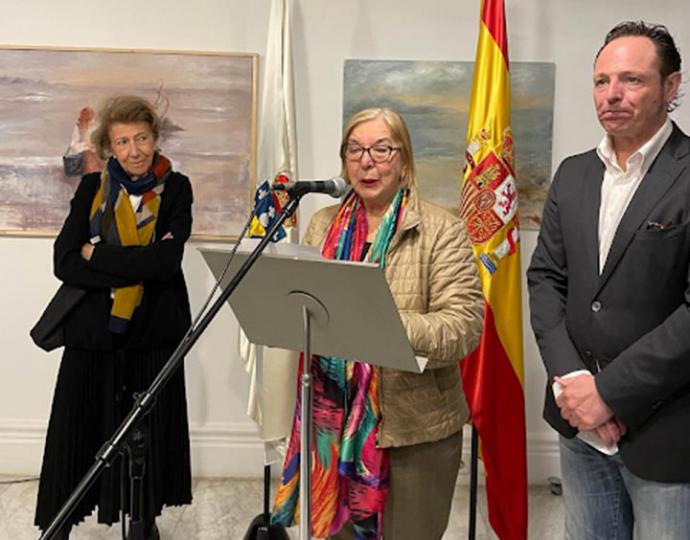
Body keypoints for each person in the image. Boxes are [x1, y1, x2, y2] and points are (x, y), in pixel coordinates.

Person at [271, 107, 484, 539]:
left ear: (404, 160)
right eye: (355, 149)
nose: (367, 161)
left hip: (414, 433)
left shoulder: (442, 229)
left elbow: (464, 326)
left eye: (382, 149)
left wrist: (378, 322)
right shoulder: (321, 224)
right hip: (330, 427)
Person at [527, 21, 690, 539]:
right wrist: (576, 385)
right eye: (601, 81)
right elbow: (546, 280)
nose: (612, 95)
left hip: (666, 431)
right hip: (578, 425)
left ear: (671, 87)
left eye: (632, 80)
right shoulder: (573, 175)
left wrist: (610, 394)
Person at [35, 95, 194, 539]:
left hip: (154, 333)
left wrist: (99, 254)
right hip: (94, 333)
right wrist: (137, 257)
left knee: (148, 432)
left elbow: (166, 264)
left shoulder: (176, 188)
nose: (134, 150)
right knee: (77, 428)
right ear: (110, 147)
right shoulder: (91, 189)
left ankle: (143, 519)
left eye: (141, 138)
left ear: (155, 138)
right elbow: (64, 261)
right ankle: (61, 519)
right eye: (122, 141)